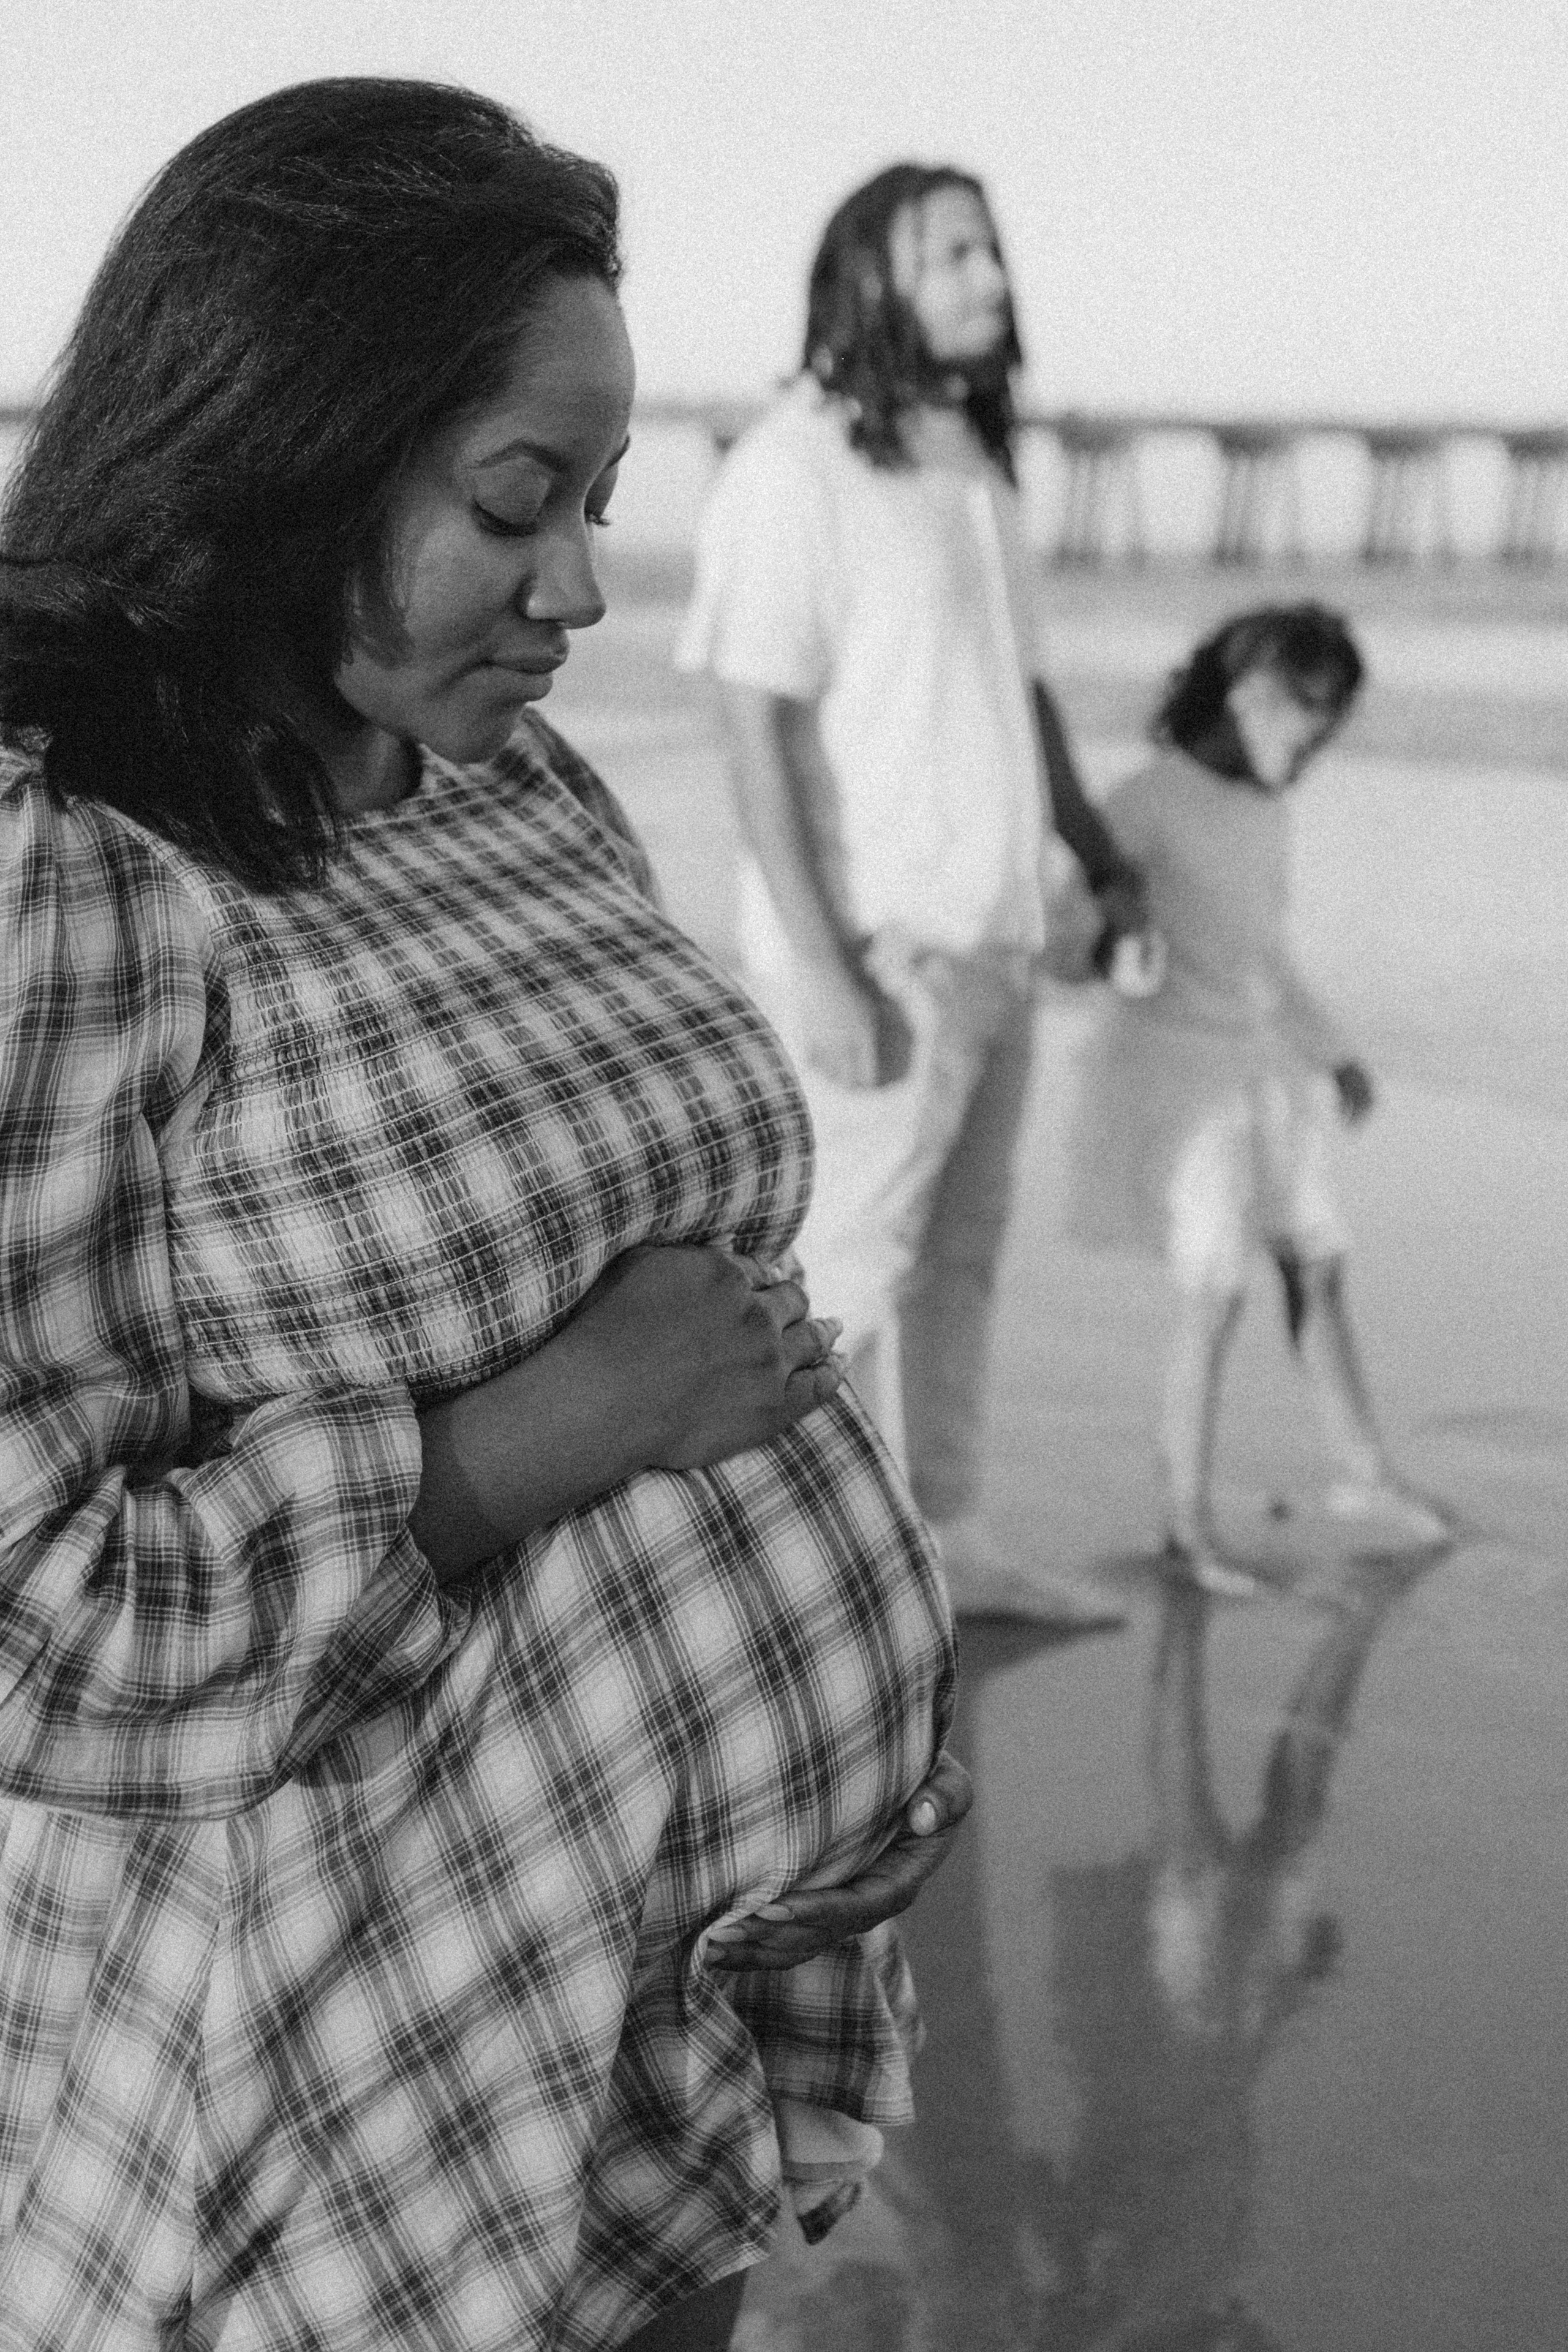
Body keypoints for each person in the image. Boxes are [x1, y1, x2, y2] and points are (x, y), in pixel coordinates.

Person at [0, 81, 973, 2352]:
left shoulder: (503, 776)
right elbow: (31, 1623)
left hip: (646, 2004)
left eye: (602, 504)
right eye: (514, 502)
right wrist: (522, 1438)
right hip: (339, 2072)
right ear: (284, 450)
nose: (577, 589)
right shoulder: (59, 867)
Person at [677, 164, 1143, 1629]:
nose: (988, 277)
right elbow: (749, 723)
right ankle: (810, 1584)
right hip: (884, 952)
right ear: (868, 275)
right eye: (951, 254)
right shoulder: (794, 467)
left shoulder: (974, 467)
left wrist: (1097, 856)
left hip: (999, 936)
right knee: (846, 1277)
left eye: (988, 249)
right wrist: (820, 966)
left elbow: (1024, 696)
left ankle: (944, 1536)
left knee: (961, 1260)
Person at [1060, 604, 1450, 1596]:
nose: (1315, 749)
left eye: (1330, 735)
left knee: (1317, 1264)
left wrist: (1338, 1054)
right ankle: (1185, 1523)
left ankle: (1364, 1477)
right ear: (1248, 694)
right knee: (1214, 1291)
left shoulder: (1266, 809)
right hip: (1175, 1077)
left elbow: (1267, 954)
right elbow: (1068, 943)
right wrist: (1115, 941)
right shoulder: (1146, 801)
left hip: (1258, 1064)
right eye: (1307, 723)